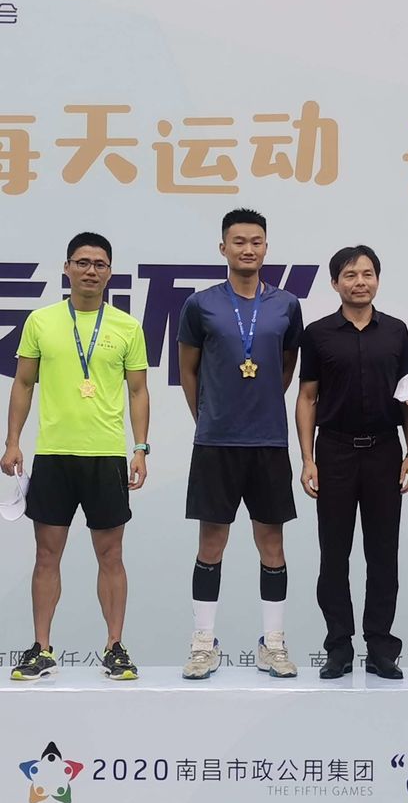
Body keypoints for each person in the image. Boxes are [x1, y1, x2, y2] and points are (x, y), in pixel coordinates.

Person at [1, 232, 149, 681]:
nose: (90, 271)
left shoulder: (127, 327)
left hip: (106, 456)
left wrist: (140, 448)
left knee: (111, 555)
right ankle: (41, 648)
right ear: (66, 268)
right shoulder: (41, 321)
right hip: (54, 455)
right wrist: (12, 441)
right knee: (47, 555)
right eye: (82, 262)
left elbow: (138, 391)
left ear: (110, 272)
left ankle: (115, 646)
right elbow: (23, 383)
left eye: (99, 264)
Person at [178, 208, 302, 680]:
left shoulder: (286, 304)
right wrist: (208, 417)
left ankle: (273, 643)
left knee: (272, 543)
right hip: (216, 441)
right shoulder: (200, 305)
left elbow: (286, 365)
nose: (247, 249)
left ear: (266, 247)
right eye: (238, 241)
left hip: (268, 440)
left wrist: (260, 402)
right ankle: (202, 643)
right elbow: (188, 370)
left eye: (255, 241)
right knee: (211, 542)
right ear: (223, 248)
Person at [296, 245, 408, 680]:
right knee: (334, 554)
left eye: (367, 274)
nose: (359, 282)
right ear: (335, 283)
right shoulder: (317, 334)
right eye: (350, 275)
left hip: (385, 451)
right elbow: (307, 397)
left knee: (383, 553)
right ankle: (339, 647)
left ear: (378, 280)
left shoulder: (396, 332)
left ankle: (381, 648)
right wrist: (307, 458)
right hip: (334, 452)